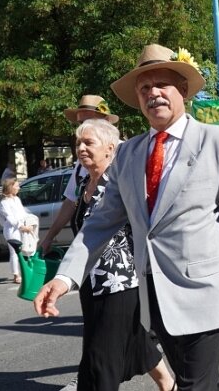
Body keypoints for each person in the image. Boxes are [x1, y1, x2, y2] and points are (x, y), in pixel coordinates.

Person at [34, 43, 219, 390]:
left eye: (161, 85)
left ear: (183, 90)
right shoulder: (129, 154)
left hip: (204, 291)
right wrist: (65, 279)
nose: (152, 93)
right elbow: (100, 222)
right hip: (153, 297)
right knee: (199, 382)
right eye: (144, 88)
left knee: (194, 384)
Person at [70, 118, 173, 391]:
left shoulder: (121, 183)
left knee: (99, 358)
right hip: (91, 283)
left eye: (88, 142)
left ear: (110, 148)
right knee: (136, 340)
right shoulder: (84, 187)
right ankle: (169, 385)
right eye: (78, 142)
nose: (81, 148)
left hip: (120, 282)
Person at [39, 94, 120, 254]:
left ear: (105, 121)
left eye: (88, 121)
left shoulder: (125, 155)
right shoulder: (82, 164)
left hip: (115, 259)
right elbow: (70, 202)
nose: (82, 127)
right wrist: (49, 237)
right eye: (80, 122)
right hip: (85, 253)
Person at [0, 178, 34, 284]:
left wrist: (29, 222)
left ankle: (25, 272)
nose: (19, 188)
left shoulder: (17, 199)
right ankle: (16, 275)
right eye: (17, 186)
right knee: (15, 253)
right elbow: (10, 219)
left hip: (22, 228)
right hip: (12, 231)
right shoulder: (4, 203)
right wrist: (22, 227)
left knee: (26, 250)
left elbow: (23, 213)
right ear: (10, 187)